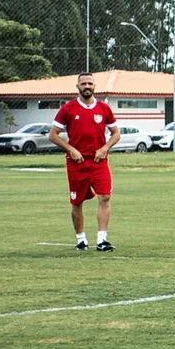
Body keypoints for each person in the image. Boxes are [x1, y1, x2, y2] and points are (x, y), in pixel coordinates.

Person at [46, 72, 120, 251]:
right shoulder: (68, 108)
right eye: (84, 84)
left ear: (95, 86)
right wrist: (71, 149)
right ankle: (81, 240)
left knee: (105, 196)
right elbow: (53, 135)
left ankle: (102, 240)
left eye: (90, 84)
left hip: (98, 162)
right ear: (77, 86)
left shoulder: (104, 108)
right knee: (76, 202)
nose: (87, 86)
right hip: (76, 164)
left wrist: (104, 149)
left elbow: (116, 134)